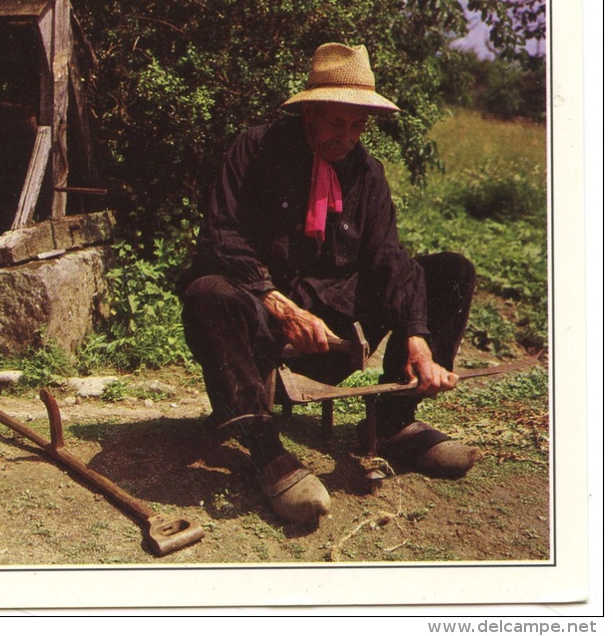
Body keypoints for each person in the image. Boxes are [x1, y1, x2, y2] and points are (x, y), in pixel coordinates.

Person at [180, 43, 478, 525]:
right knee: (206, 293)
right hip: (266, 319)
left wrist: (419, 341)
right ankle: (264, 447)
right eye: (338, 123)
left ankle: (393, 423)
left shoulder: (366, 172)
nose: (349, 136)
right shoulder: (254, 150)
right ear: (310, 112)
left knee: (449, 273)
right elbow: (221, 235)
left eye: (359, 125)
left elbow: (388, 257)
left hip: (336, 322)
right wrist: (281, 306)